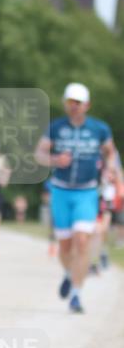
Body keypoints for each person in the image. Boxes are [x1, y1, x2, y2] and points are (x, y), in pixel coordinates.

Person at [34, 82, 116, 313]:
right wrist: (54, 159)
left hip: (87, 192)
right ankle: (69, 274)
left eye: (78, 103)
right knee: (65, 245)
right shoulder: (56, 128)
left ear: (87, 105)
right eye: (70, 102)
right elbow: (39, 153)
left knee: (82, 241)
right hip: (60, 191)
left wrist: (110, 169)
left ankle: (77, 295)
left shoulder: (99, 129)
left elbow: (110, 153)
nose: (73, 107)